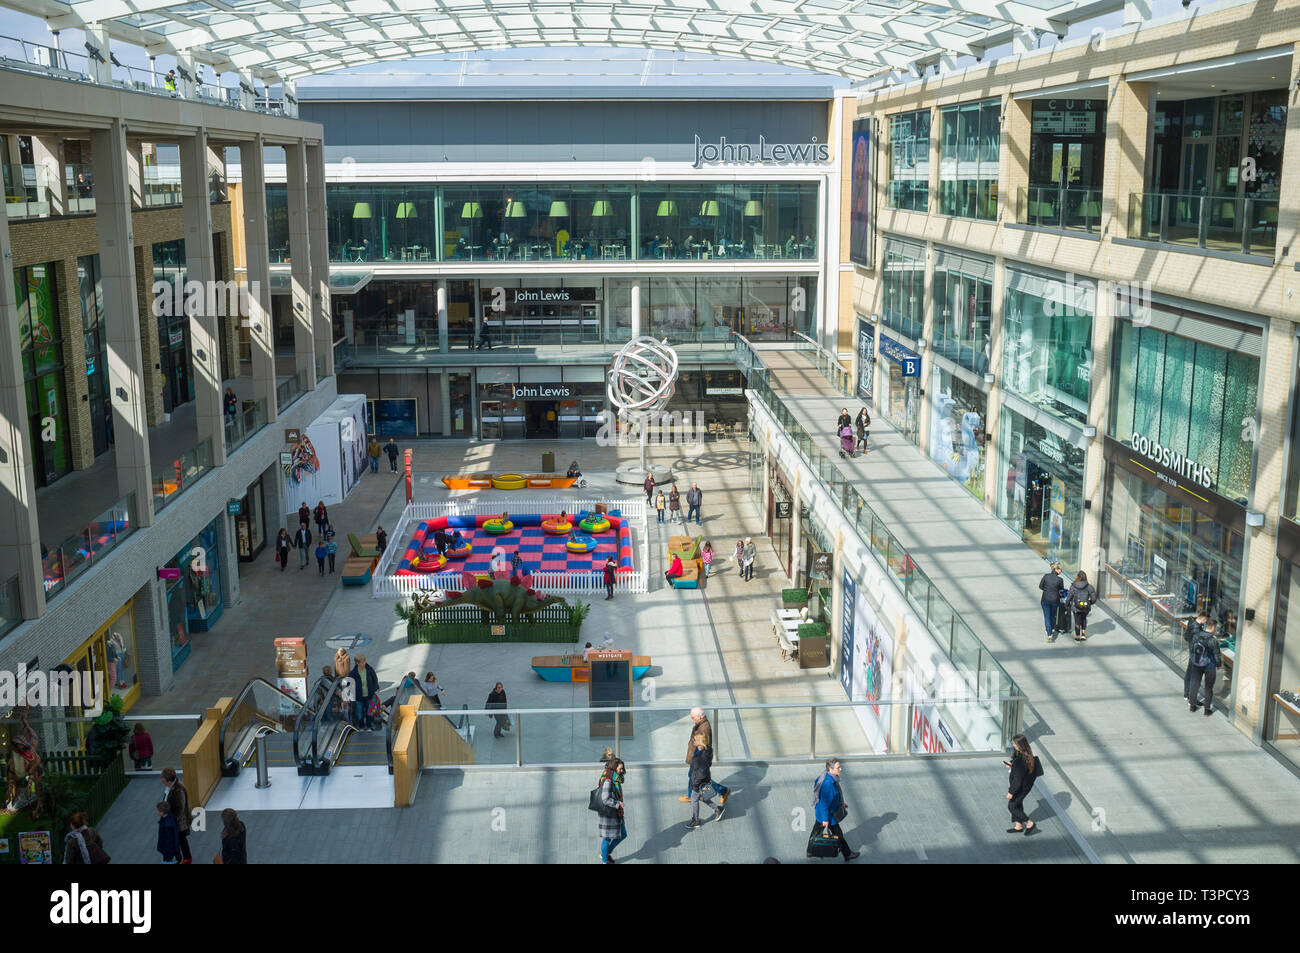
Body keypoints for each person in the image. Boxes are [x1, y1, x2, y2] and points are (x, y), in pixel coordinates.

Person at [678, 708, 729, 808]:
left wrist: (698, 760)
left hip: (699, 760)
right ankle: (690, 795)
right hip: (696, 758)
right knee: (692, 775)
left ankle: (723, 790)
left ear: (700, 716)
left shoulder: (704, 728)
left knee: (702, 779)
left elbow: (703, 746)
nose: (692, 719)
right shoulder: (700, 724)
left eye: (693, 717)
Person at [812, 758, 859, 861]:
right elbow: (824, 804)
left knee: (816, 831)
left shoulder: (826, 776)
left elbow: (832, 797)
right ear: (830, 769)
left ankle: (811, 851)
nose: (840, 769)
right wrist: (825, 820)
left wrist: (841, 803)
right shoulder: (828, 784)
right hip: (829, 816)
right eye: (838, 768)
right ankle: (847, 854)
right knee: (838, 835)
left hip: (821, 814)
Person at [1005, 733, 1044, 834]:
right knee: (1018, 803)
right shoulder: (1025, 754)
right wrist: (1012, 765)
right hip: (1026, 785)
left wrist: (1011, 792)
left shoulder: (1019, 760)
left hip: (1020, 787)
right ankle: (1018, 826)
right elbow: (1021, 768)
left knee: (1012, 806)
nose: (1013, 745)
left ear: (1019, 745)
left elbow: (1018, 779)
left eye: (1014, 744)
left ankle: (1029, 823)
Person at [1188, 616, 1223, 716]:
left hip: (1196, 663)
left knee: (1194, 684)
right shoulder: (1213, 640)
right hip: (1209, 666)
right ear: (1213, 627)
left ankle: (1192, 706)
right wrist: (1219, 665)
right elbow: (1217, 654)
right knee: (1208, 687)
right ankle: (1207, 710)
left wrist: (1193, 658)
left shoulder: (1196, 636)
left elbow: (1191, 648)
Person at [686, 732, 721, 829]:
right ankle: (717, 809)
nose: (693, 741)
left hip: (698, 781)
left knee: (694, 799)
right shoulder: (703, 750)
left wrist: (695, 784)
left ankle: (696, 820)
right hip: (700, 779)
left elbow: (701, 772)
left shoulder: (702, 757)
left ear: (701, 742)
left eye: (695, 739)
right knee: (701, 797)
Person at [596, 757, 627, 864]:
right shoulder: (608, 780)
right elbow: (605, 799)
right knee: (607, 838)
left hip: (616, 813)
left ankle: (605, 853)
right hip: (609, 813)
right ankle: (604, 861)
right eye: (620, 768)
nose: (622, 771)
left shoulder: (614, 777)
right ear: (614, 768)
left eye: (622, 768)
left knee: (623, 834)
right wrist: (618, 804)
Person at [162, 767, 192, 863]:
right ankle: (182, 858)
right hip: (173, 821)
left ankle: (185, 858)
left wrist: (170, 819)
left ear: (168, 780)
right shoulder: (169, 788)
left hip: (179, 823)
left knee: (180, 841)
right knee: (178, 841)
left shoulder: (178, 790)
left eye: (163, 777)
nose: (161, 779)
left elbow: (180, 809)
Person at [1183, 610, 1210, 703]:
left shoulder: (1191, 623)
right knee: (1195, 677)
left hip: (1192, 653)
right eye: (1205, 621)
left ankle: (1186, 694)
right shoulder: (1196, 629)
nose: (1205, 622)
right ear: (1203, 619)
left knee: (1189, 674)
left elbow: (1186, 637)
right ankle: (1192, 698)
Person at [1038, 561, 1066, 643]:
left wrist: (1047, 590)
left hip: (1045, 599)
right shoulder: (1060, 579)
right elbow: (1061, 589)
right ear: (1057, 569)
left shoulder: (1046, 576)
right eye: (1061, 569)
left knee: (1047, 616)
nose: (1061, 571)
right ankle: (1052, 628)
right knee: (1053, 616)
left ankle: (1049, 634)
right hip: (1055, 600)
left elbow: (1040, 586)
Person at [1066, 570, 1097, 642]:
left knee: (1077, 621)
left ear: (1078, 577)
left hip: (1076, 607)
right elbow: (1094, 598)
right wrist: (1089, 603)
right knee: (1083, 619)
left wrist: (1067, 604)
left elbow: (1069, 597)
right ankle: (1083, 635)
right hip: (1086, 607)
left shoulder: (1073, 586)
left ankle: (1077, 636)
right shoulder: (1089, 586)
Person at [351, 654, 380, 729]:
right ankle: (361, 727)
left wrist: (374, 689)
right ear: (357, 663)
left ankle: (369, 726)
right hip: (359, 698)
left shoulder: (369, 669)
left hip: (369, 696)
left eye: (364, 661)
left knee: (369, 713)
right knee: (359, 715)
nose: (364, 663)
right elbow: (349, 685)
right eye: (362, 662)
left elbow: (375, 680)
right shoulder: (353, 673)